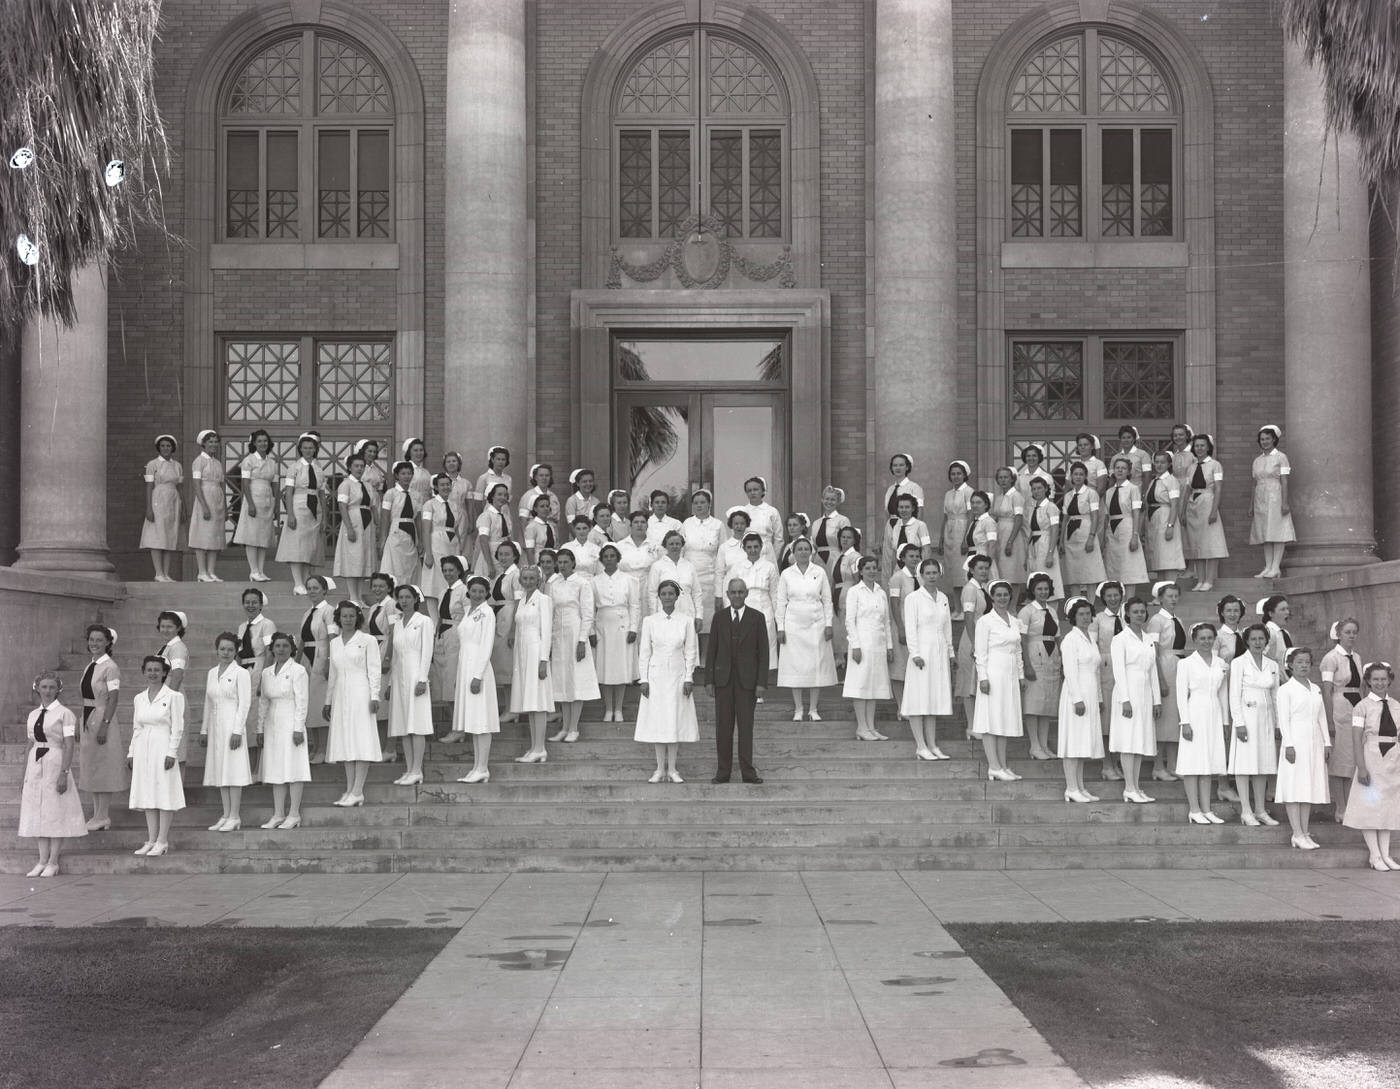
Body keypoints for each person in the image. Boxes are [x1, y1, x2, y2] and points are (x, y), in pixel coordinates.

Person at [19, 671, 87, 877]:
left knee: (55, 811)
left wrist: (63, 773)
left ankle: (53, 861)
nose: (47, 691)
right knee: (38, 812)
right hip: (35, 764)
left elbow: (68, 745)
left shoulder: (65, 714)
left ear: (58, 690)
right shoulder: (33, 715)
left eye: (51, 687)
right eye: (44, 687)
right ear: (37, 689)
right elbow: (30, 743)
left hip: (55, 762)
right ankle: (41, 861)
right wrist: (25, 773)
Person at [635, 580, 701, 782]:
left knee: (673, 720)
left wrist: (689, 677)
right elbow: (645, 652)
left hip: (677, 675)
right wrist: (643, 679)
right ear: (659, 596)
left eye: (671, 593)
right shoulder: (650, 621)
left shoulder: (686, 621)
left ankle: (672, 769)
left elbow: (690, 651)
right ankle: (659, 769)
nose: (667, 597)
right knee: (658, 721)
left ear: (676, 596)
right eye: (664, 593)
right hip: (656, 677)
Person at [707, 578, 770, 783]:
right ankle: (723, 772)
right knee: (723, 728)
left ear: (747, 594)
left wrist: (761, 683)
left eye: (740, 592)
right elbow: (711, 651)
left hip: (747, 682)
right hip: (723, 681)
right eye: (733, 592)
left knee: (745, 728)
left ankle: (748, 772)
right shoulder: (719, 618)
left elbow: (764, 653)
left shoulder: (757, 618)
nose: (736, 596)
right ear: (727, 594)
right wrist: (709, 680)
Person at [323, 600, 383, 806]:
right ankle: (349, 789)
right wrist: (328, 701)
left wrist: (375, 696)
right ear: (338, 618)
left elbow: (374, 669)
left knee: (361, 739)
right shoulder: (334, 642)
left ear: (357, 618)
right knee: (345, 741)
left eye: (351, 616)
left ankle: (358, 790)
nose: (347, 619)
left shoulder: (367, 640)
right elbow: (333, 674)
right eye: (344, 616)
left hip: (361, 693)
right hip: (341, 694)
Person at [127, 655, 186, 857]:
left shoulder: (173, 697)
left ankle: (162, 840)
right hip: (144, 748)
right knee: (148, 793)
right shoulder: (139, 698)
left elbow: (178, 728)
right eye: (149, 669)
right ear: (144, 672)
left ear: (164, 673)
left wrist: (172, 752)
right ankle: (151, 840)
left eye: (157, 670)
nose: (153, 673)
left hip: (163, 746)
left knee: (164, 793)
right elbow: (137, 727)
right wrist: (131, 752)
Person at [1344, 662, 1400, 870]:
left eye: (1383, 679)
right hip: (1371, 758)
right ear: (1368, 681)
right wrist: (1362, 767)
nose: (1379, 683)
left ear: (1389, 680)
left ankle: (1386, 854)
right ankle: (1374, 855)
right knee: (1370, 807)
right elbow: (1357, 739)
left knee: (1388, 808)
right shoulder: (1362, 707)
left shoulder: (1396, 706)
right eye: (1375, 679)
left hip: (1393, 761)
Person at [775, 537, 838, 722]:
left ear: (811, 551)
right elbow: (780, 602)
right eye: (799, 549)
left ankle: (813, 708)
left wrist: (828, 624)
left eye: (806, 549)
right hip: (793, 624)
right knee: (796, 666)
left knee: (815, 666)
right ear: (793, 552)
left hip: (816, 624)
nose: (803, 552)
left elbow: (827, 600)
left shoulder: (819, 572)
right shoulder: (786, 574)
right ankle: (798, 708)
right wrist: (781, 627)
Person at [1275, 646, 1331, 849]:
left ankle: (1304, 832)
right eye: (1299, 662)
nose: (1303, 665)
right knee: (1293, 786)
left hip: (1314, 741)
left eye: (1307, 662)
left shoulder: (1315, 688)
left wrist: (1327, 742)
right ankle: (1296, 833)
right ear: (1290, 665)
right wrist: (1288, 744)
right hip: (1295, 742)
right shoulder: (1285, 690)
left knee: (1308, 786)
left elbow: (1321, 716)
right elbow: (1284, 719)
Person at [1174, 621, 1229, 824]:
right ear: (1194, 640)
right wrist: (1185, 723)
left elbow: (1222, 694)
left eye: (1209, 638)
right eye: (1202, 638)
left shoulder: (1221, 663)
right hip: (1194, 713)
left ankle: (1207, 809)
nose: (1206, 641)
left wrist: (1224, 722)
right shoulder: (1185, 664)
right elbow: (1181, 695)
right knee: (1193, 762)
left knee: (1209, 762)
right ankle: (1194, 809)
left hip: (1214, 714)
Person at [1109, 597, 1162, 804]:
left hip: (1145, 694)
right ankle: (1129, 788)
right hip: (1128, 692)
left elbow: (1153, 671)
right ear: (1127, 614)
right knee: (1128, 741)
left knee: (1140, 740)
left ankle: (1136, 787)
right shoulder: (1120, 639)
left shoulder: (1148, 638)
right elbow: (1118, 671)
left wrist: (1156, 700)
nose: (1139, 614)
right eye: (1135, 611)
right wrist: (1125, 699)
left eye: (1142, 611)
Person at [900, 557, 954, 760]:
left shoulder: (943, 598)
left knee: (934, 698)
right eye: (928, 573)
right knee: (918, 698)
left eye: (934, 572)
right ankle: (920, 745)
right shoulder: (913, 598)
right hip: (922, 652)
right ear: (921, 575)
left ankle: (932, 744)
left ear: (939, 574)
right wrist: (915, 654)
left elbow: (947, 626)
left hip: (938, 652)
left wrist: (950, 652)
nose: (932, 576)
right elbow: (910, 628)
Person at [972, 579, 1026, 781]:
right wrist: (983, 678)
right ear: (992, 597)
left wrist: (1020, 675)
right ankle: (993, 766)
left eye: (1006, 594)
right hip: (993, 672)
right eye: (999, 595)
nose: (1003, 598)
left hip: (1010, 674)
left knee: (1005, 718)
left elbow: (1019, 649)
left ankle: (1003, 765)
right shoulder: (985, 621)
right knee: (991, 718)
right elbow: (980, 653)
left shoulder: (1013, 620)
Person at [257, 632, 310, 829]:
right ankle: (278, 813)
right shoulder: (266, 673)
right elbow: (263, 702)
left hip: (291, 722)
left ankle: (294, 813)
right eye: (277, 646)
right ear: (272, 649)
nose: (281, 649)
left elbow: (302, 701)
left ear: (292, 649)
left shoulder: (298, 670)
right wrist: (260, 728)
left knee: (293, 767)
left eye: (285, 646)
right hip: (272, 724)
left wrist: (298, 728)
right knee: (275, 768)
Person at [1229, 623, 1281, 826]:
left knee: (1263, 763)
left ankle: (1260, 810)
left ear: (1266, 641)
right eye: (1254, 639)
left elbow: (1276, 695)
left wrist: (1278, 723)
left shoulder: (1273, 665)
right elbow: (1234, 695)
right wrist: (1239, 723)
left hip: (1266, 719)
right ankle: (1246, 810)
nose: (1258, 642)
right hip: (1247, 718)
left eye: (1261, 639)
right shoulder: (1238, 663)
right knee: (1244, 764)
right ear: (1247, 642)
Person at [200, 632, 252, 832]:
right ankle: (225, 813)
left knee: (233, 770)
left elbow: (245, 703)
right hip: (215, 727)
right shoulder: (212, 672)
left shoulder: (241, 673)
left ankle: (235, 815)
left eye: (230, 649)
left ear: (236, 651)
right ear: (217, 650)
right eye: (222, 649)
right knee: (220, 769)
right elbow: (208, 701)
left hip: (232, 725)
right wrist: (204, 729)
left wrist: (238, 730)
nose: (226, 653)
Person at [547, 548, 600, 743]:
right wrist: (550, 641)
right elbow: (550, 613)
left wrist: (582, 641)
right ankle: (564, 727)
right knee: (562, 681)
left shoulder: (582, 583)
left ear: (572, 562)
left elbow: (587, 614)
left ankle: (574, 728)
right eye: (559, 562)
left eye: (565, 562)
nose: (562, 565)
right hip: (558, 636)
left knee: (576, 679)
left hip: (575, 632)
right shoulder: (553, 584)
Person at [451, 576, 499, 783]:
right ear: (468, 592)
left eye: (481, 591)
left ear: (486, 592)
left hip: (478, 670)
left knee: (482, 720)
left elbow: (486, 645)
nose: (477, 594)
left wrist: (477, 676)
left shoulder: (487, 613)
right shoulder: (470, 611)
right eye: (474, 591)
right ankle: (477, 766)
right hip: (466, 667)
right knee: (473, 719)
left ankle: (483, 767)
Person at [384, 584, 434, 786]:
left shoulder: (424, 621)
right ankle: (409, 769)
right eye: (401, 597)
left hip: (416, 676)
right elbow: (395, 655)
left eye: (408, 597)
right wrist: (389, 684)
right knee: (403, 725)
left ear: (415, 599)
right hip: (399, 678)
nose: (404, 601)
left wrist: (422, 679)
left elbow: (427, 652)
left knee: (417, 724)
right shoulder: (396, 623)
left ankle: (417, 770)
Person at [78, 623, 126, 831]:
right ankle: (97, 815)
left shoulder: (110, 667)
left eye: (99, 640)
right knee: (93, 768)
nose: (94, 644)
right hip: (88, 718)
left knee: (104, 768)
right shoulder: (91, 665)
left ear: (108, 642)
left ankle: (103, 815)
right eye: (91, 640)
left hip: (102, 718)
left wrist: (105, 725)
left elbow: (113, 699)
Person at [1057, 597, 1103, 802]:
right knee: (1073, 739)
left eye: (1088, 614)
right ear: (1073, 617)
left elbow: (1096, 670)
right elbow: (1069, 671)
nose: (1086, 618)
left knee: (1084, 740)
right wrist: (1077, 699)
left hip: (1091, 691)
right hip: (1076, 693)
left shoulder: (1090, 637)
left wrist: (1099, 697)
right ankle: (1071, 788)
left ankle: (1080, 786)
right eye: (1081, 614)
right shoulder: (1070, 639)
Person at [1319, 618, 1364, 823]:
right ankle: (1340, 807)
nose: (1351, 635)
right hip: (1339, 708)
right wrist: (1329, 720)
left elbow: (1361, 687)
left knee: (1352, 760)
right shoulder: (1331, 658)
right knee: (1339, 761)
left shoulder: (1357, 657)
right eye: (1347, 632)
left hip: (1356, 707)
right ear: (1339, 633)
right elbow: (1326, 690)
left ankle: (1350, 805)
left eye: (1354, 632)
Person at [509, 565, 554, 762]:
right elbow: (519, 629)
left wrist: (544, 660)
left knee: (538, 701)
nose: (528, 582)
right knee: (529, 701)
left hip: (536, 652)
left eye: (532, 579)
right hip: (522, 654)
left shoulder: (543, 600)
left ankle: (540, 748)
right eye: (525, 578)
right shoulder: (521, 602)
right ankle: (534, 747)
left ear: (538, 580)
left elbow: (546, 631)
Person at [1146, 580, 1188, 783]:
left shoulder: (1177, 618)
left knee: (1175, 719)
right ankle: (1158, 766)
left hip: (1178, 666)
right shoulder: (1156, 620)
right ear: (1160, 598)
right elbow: (1153, 649)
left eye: (1175, 596)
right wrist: (1160, 679)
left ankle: (1173, 765)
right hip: (1165, 666)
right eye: (1169, 596)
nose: (1173, 599)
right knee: (1164, 721)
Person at [593, 543, 640, 722]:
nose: (609, 559)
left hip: (623, 624)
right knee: (605, 668)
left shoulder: (629, 580)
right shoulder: (594, 581)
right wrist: (591, 631)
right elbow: (590, 609)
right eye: (606, 557)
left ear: (618, 559)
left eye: (613, 556)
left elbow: (634, 606)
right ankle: (608, 708)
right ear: (602, 560)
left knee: (621, 668)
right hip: (603, 625)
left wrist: (633, 628)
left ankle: (618, 709)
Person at [1019, 572, 1063, 761]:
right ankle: (1034, 745)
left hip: (1051, 655)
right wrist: (1026, 665)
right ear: (1033, 591)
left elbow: (1058, 636)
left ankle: (1044, 745)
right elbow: (1021, 638)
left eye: (1046, 589)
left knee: (1048, 703)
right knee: (1034, 702)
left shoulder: (1052, 611)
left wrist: (1061, 658)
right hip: (1034, 654)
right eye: (1039, 589)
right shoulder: (1027, 611)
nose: (1043, 592)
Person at [276, 431, 325, 594]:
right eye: (305, 448)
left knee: (309, 547)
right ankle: (297, 583)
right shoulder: (294, 468)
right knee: (297, 546)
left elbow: (322, 493)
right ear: (300, 449)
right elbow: (288, 492)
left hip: (314, 508)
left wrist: (323, 515)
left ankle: (306, 581)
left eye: (311, 448)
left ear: (315, 449)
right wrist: (290, 514)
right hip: (299, 505)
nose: (308, 450)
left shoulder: (319, 469)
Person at [298, 575, 337, 764]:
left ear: (324, 590)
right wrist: (296, 663)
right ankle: (315, 746)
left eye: (315, 588)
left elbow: (332, 637)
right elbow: (302, 640)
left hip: (321, 658)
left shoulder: (329, 611)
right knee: (311, 706)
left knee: (321, 704)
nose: (312, 591)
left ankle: (324, 749)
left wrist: (329, 661)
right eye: (309, 588)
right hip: (307, 660)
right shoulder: (307, 613)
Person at [1212, 594, 1247, 803]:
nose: (1233, 614)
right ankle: (1223, 785)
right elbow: (1215, 664)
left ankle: (1237, 779)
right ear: (1222, 613)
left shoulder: (1245, 635)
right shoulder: (1217, 637)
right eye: (1229, 610)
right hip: (1225, 690)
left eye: (1236, 610)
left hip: (1244, 691)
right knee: (1224, 736)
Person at [956, 554, 995, 737]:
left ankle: (978, 724)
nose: (984, 571)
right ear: (972, 570)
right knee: (968, 683)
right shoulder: (970, 589)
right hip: (972, 638)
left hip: (984, 638)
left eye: (986, 568)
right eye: (980, 568)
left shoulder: (984, 588)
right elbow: (969, 617)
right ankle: (971, 726)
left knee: (978, 682)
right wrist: (973, 643)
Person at [1183, 433, 1228, 592]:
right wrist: (1183, 511)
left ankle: (1209, 579)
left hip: (1208, 502)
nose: (1199, 448)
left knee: (1211, 542)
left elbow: (1218, 488)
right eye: (1197, 446)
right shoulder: (1191, 467)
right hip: (1193, 506)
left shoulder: (1215, 465)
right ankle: (1200, 579)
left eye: (1202, 445)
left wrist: (1214, 510)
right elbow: (1187, 490)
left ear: (1208, 447)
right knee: (1196, 544)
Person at [1250, 424, 1296, 579]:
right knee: (1264, 532)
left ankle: (1276, 566)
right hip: (1260, 497)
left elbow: (1284, 481)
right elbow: (1254, 483)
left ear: (1274, 439)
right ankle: (1268, 566)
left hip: (1275, 495)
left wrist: (1284, 502)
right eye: (1262, 439)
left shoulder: (1281, 457)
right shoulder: (1257, 460)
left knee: (1277, 531)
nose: (1264, 442)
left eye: (1267, 439)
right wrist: (1251, 505)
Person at [731, 532, 779, 678]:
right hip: (743, 606)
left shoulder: (769, 567)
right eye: (749, 547)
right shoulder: (738, 567)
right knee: (745, 645)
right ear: (744, 548)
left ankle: (761, 686)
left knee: (764, 646)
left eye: (756, 547)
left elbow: (775, 593)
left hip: (765, 608)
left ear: (761, 547)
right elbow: (731, 590)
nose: (753, 550)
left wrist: (779, 618)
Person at [363, 573, 400, 762]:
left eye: (381, 586)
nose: (377, 589)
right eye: (374, 586)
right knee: (377, 703)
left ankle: (390, 747)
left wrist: (388, 658)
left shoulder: (391, 605)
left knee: (387, 704)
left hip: (386, 651)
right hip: (375, 652)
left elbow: (394, 632)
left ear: (388, 588)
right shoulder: (373, 608)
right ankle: (380, 746)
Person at [233, 429, 278, 582]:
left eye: (265, 441)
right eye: (259, 441)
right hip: (253, 498)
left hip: (267, 500)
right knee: (252, 536)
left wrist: (275, 505)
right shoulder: (249, 460)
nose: (263, 444)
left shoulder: (272, 462)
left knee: (263, 536)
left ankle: (260, 570)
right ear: (254, 443)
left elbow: (275, 484)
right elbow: (245, 483)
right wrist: (251, 504)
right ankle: (253, 570)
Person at [682, 489, 724, 647]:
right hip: (689, 575)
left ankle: (706, 659)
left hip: (709, 578)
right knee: (689, 615)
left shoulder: (718, 525)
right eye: (696, 503)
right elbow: (680, 550)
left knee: (707, 619)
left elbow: (721, 554)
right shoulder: (686, 524)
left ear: (710, 504)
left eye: (703, 502)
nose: (699, 506)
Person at [1092, 580, 1126, 781]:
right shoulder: (1097, 619)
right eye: (1109, 596)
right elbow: (1093, 644)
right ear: (1103, 598)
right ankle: (1107, 764)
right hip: (1106, 668)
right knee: (1107, 719)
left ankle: (1119, 761)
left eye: (1116, 595)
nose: (1113, 599)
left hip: (1126, 667)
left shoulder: (1128, 616)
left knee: (1121, 719)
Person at [334, 451, 377, 603]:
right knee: (353, 559)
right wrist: (349, 528)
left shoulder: (367, 485)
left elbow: (372, 506)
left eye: (362, 466)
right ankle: (353, 596)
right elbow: (342, 506)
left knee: (363, 560)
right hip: (353, 522)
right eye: (356, 466)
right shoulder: (346, 485)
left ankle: (359, 596)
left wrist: (376, 526)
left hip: (367, 524)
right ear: (349, 468)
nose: (359, 469)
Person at [141, 433, 184, 582]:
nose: (165, 448)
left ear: (173, 448)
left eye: (168, 446)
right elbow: (148, 487)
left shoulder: (177, 465)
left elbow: (180, 487)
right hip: (158, 499)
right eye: (162, 446)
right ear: (158, 448)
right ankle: (158, 573)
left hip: (173, 501)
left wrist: (182, 507)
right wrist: (149, 508)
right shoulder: (152, 464)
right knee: (157, 535)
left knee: (170, 536)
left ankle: (166, 573)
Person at [1058, 462, 1104, 599]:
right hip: (1070, 535)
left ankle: (1090, 604)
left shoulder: (1091, 493)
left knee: (1089, 571)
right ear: (1071, 476)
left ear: (1085, 477)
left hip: (1086, 531)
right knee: (1073, 572)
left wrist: (1091, 537)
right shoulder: (1068, 496)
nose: (1078, 477)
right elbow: (1065, 519)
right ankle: (1075, 602)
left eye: (1081, 474)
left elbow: (1095, 516)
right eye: (1075, 474)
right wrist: (1061, 541)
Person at [235, 588, 276, 741]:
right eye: (247, 602)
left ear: (261, 605)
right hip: (243, 670)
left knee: (256, 710)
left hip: (258, 667)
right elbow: (238, 652)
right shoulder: (242, 627)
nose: (250, 605)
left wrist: (263, 679)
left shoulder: (267, 624)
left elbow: (270, 652)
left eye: (254, 602)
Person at [1101, 457, 1147, 593]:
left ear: (1128, 472)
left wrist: (1135, 536)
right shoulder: (1109, 492)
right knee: (1114, 566)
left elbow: (1136, 513)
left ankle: (1129, 600)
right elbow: (1106, 516)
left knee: (1128, 565)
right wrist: (1104, 536)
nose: (1120, 470)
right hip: (1112, 531)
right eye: (1117, 468)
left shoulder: (1133, 489)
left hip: (1127, 527)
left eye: (1123, 468)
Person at [887, 543, 923, 716]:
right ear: (903, 558)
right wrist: (900, 628)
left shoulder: (923, 577)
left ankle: (914, 704)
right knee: (900, 668)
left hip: (920, 628)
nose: (915, 559)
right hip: (902, 625)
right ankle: (901, 706)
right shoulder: (897, 578)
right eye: (911, 556)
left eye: (917, 556)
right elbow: (894, 603)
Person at [490, 540, 523, 718]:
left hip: (509, 617)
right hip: (499, 618)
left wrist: (513, 630)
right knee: (501, 665)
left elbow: (518, 601)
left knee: (509, 666)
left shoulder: (516, 575)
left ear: (515, 555)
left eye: (507, 554)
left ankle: (513, 708)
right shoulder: (500, 575)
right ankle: (508, 706)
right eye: (500, 554)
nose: (503, 557)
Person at [189, 428, 227, 582]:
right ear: (203, 444)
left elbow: (221, 484)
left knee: (215, 535)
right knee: (202, 534)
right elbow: (196, 485)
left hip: (217, 499)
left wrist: (224, 506)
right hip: (205, 498)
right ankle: (202, 572)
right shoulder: (198, 462)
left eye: (215, 442)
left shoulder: (217, 462)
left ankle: (211, 571)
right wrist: (204, 506)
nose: (214, 444)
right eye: (210, 442)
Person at [420, 473, 462, 607]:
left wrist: (459, 546)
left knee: (450, 578)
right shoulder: (429, 504)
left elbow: (456, 527)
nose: (445, 487)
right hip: (436, 542)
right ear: (436, 487)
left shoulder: (454, 505)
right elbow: (426, 530)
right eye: (442, 485)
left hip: (452, 542)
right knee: (435, 580)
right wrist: (428, 554)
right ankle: (434, 617)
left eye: (447, 484)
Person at [431, 556, 469, 705]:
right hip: (443, 634)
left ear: (459, 571)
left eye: (451, 570)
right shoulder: (443, 592)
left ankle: (458, 721)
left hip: (456, 633)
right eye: (445, 570)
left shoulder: (464, 590)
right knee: (442, 676)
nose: (448, 573)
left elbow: (468, 616)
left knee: (453, 676)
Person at [1143, 450, 1185, 579]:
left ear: (1169, 464)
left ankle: (1169, 588)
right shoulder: (1153, 481)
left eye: (1162, 462)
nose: (1159, 465)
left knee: (1168, 556)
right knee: (1158, 558)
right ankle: (1160, 592)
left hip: (1165, 518)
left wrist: (1170, 525)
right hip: (1153, 519)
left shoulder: (1171, 480)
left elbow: (1174, 504)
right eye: (1156, 462)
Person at [380, 460, 421, 588]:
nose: (406, 476)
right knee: (395, 564)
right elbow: (385, 517)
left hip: (411, 531)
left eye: (409, 473)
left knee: (410, 564)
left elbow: (418, 518)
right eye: (403, 473)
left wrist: (421, 540)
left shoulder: (417, 495)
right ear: (397, 475)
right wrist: (382, 538)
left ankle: (409, 591)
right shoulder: (390, 494)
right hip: (396, 530)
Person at [647, 530, 704, 623]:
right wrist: (654, 616)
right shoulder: (657, 566)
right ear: (665, 545)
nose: (674, 546)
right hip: (664, 613)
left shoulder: (689, 566)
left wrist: (699, 616)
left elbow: (697, 593)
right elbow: (652, 594)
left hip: (687, 612)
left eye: (677, 544)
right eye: (671, 544)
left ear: (682, 545)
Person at [618, 511, 660, 618]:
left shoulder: (655, 546)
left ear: (647, 525)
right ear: (630, 525)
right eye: (636, 522)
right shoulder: (620, 546)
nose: (639, 525)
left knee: (647, 617)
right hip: (626, 587)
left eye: (643, 522)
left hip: (648, 586)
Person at [991, 467, 1027, 589]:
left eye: (1006, 477)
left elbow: (1018, 518)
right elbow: (995, 516)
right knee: (1001, 569)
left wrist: (1010, 541)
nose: (1003, 480)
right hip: (999, 533)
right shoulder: (999, 497)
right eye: (1000, 477)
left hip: (1012, 534)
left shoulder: (1016, 496)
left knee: (1011, 570)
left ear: (1012, 479)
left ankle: (1012, 605)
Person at [831, 525, 864, 663]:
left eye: (848, 537)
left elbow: (858, 579)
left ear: (854, 540)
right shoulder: (838, 556)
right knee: (838, 627)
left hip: (848, 591)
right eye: (843, 537)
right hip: (837, 592)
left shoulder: (855, 557)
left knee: (847, 625)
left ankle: (847, 659)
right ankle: (839, 659)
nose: (845, 540)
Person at [1023, 477, 1061, 595]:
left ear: (1045, 489)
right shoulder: (1033, 508)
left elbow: (1055, 530)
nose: (1036, 491)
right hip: (1033, 545)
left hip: (1046, 543)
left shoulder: (1051, 507)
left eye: (1039, 488)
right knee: (1034, 577)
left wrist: (1050, 553)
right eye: (1034, 489)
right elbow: (1031, 531)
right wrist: (1026, 556)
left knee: (1047, 576)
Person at [936, 461, 973, 578]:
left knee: (961, 565)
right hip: (949, 531)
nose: (956, 477)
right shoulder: (948, 494)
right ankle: (954, 594)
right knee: (950, 565)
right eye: (953, 474)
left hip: (962, 529)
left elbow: (971, 514)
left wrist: (966, 539)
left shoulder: (969, 492)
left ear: (964, 475)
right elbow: (945, 517)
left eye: (959, 473)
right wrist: (941, 539)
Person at [355, 439, 388, 559]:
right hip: (362, 502)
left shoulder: (376, 469)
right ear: (363, 451)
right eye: (369, 451)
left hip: (375, 503)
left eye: (374, 451)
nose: (372, 454)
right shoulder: (359, 467)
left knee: (373, 535)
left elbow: (380, 490)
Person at [714, 508, 751, 611]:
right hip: (730, 591)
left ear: (746, 524)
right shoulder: (724, 547)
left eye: (742, 523)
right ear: (731, 525)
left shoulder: (752, 545)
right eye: (736, 524)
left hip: (748, 590)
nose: (739, 526)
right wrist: (718, 596)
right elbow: (719, 573)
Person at [474, 445, 514, 539]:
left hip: (505, 514)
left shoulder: (508, 479)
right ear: (492, 460)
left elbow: (508, 501)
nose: (500, 462)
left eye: (503, 459)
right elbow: (477, 503)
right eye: (498, 459)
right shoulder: (484, 478)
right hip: (490, 515)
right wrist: (482, 520)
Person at [741, 476, 784, 564]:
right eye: (749, 490)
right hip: (747, 556)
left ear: (762, 491)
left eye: (756, 489)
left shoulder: (771, 511)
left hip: (767, 555)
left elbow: (779, 539)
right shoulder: (742, 512)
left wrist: (773, 558)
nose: (752, 493)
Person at [474, 483, 512, 578]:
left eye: (505, 495)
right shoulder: (486, 516)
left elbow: (508, 538)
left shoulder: (505, 516)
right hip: (490, 556)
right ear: (492, 496)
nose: (502, 497)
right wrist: (490, 565)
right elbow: (483, 541)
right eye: (499, 494)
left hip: (504, 557)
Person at [812, 486, 852, 574]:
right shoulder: (816, 523)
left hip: (836, 559)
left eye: (833, 500)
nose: (829, 502)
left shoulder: (843, 520)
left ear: (838, 502)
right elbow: (814, 546)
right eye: (827, 499)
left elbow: (848, 544)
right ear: (822, 500)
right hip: (817, 561)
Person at [518, 463, 561, 539]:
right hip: (535, 538)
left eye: (547, 475)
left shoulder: (553, 497)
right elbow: (523, 521)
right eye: (541, 475)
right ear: (535, 477)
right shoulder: (528, 496)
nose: (544, 478)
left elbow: (556, 521)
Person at [963, 491, 999, 576]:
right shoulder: (974, 522)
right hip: (972, 559)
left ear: (986, 505)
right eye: (973, 503)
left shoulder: (989, 522)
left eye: (978, 503)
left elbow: (992, 544)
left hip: (983, 561)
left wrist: (987, 565)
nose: (974, 505)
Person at [154, 610, 190, 694]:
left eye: (169, 627)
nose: (165, 630)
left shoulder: (178, 648)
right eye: (162, 626)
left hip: (171, 695)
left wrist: (169, 700)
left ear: (178, 628)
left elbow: (177, 676)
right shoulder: (167, 647)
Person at [883, 452, 925, 524]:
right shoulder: (890, 490)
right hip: (891, 529)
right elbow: (887, 513)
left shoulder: (915, 488)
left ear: (907, 467)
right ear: (892, 468)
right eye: (895, 465)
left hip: (908, 528)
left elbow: (919, 513)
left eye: (901, 465)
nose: (898, 468)